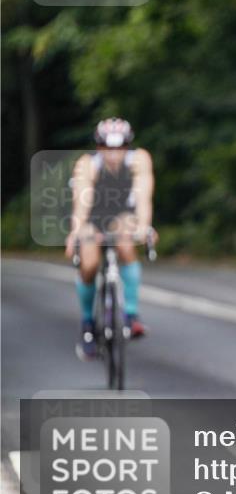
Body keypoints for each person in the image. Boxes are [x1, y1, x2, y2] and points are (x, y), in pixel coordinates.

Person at [64, 118, 156, 361]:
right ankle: (87, 324)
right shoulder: (88, 164)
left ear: (127, 147)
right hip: (93, 215)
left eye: (119, 147)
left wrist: (144, 227)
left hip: (121, 214)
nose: (113, 154)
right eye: (107, 148)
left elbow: (143, 196)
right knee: (90, 264)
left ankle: (132, 315)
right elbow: (81, 204)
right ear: (98, 147)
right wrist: (77, 232)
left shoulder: (139, 159)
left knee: (126, 242)